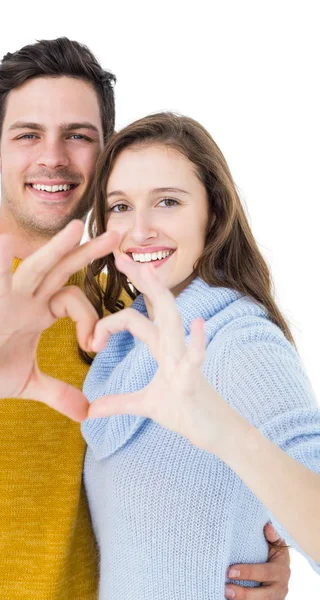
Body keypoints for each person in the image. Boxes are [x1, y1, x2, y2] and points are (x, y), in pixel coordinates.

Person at [0, 37, 289, 599]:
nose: (53, 158)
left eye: (79, 136)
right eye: (27, 135)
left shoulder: (131, 314)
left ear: (107, 154)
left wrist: (260, 549)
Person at [81, 112, 320, 600]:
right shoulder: (129, 342)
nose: (140, 229)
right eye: (121, 206)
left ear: (212, 213)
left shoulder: (238, 341)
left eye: (167, 201)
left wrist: (228, 435)